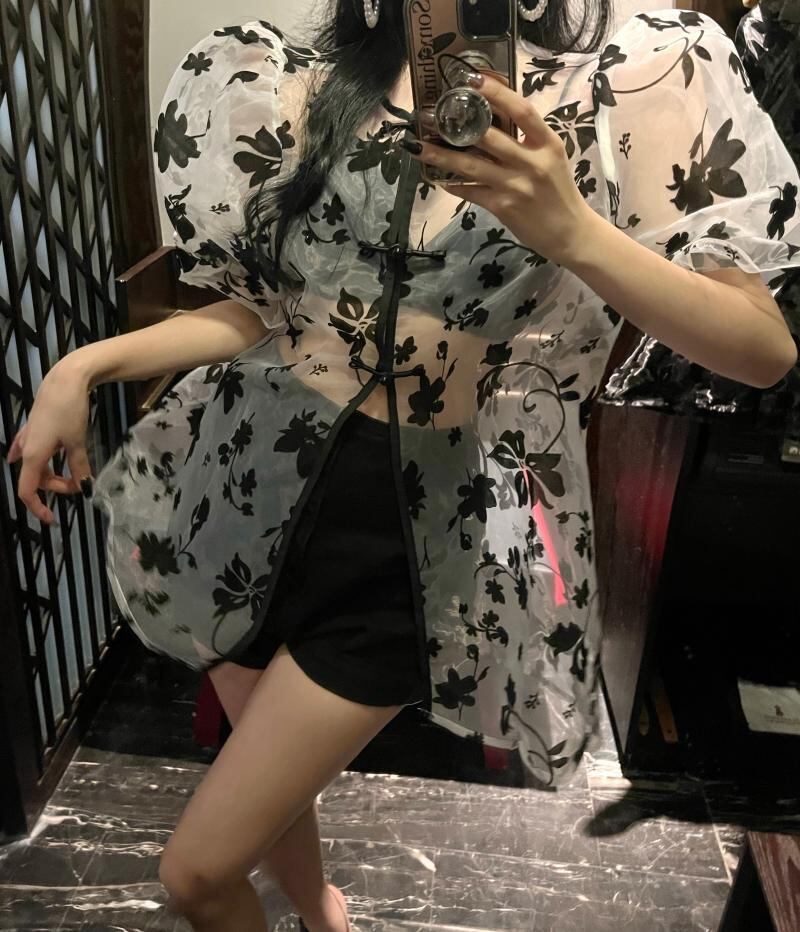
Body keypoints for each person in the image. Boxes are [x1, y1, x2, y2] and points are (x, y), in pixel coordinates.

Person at [7, 0, 800, 929]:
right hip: (240, 484)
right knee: (266, 774)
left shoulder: (631, 82)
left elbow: (762, 350)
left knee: (196, 873)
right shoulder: (303, 80)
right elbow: (270, 315)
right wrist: (79, 367)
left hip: (411, 537)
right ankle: (322, 910)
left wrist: (575, 230)